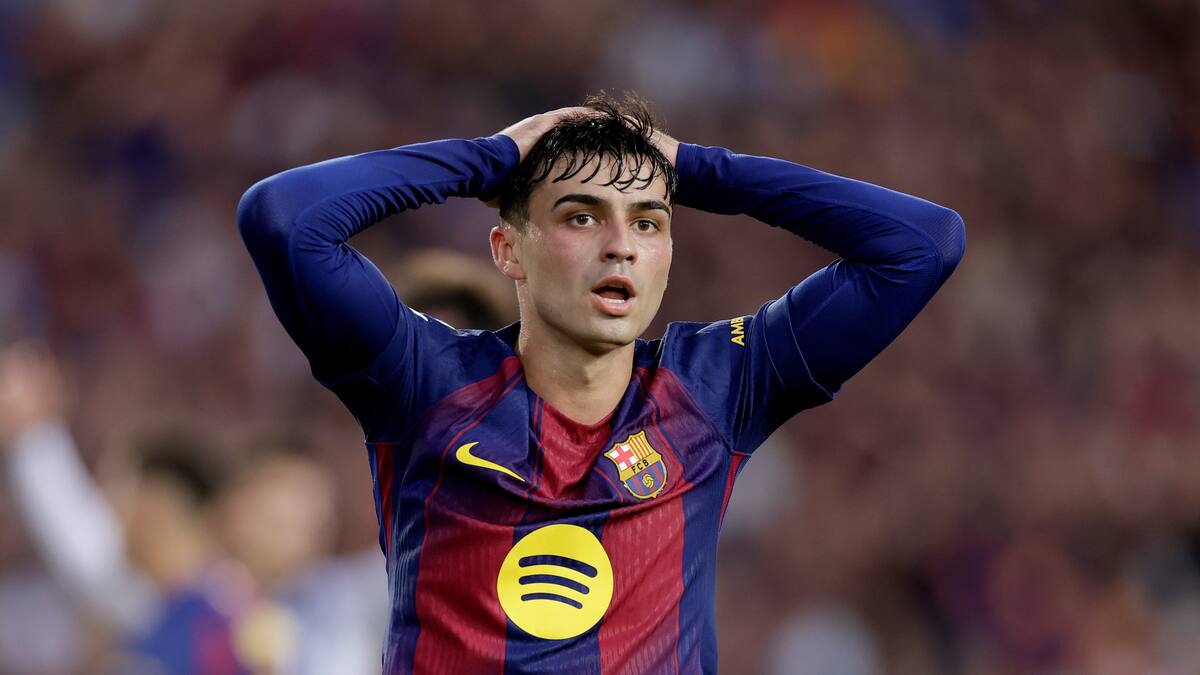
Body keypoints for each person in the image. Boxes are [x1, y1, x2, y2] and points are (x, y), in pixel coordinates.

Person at [237, 94, 965, 673]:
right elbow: (284, 218)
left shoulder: (717, 387)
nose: (620, 245)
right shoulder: (424, 383)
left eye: (648, 222)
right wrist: (489, 158)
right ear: (508, 248)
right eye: (581, 216)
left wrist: (694, 167)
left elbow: (922, 244)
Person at [0, 343, 247, 675]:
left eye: (118, 491)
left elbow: (92, 559)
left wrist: (34, 436)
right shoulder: (162, 604)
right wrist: (33, 437)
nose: (111, 510)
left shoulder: (220, 613)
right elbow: (91, 563)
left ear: (154, 508)